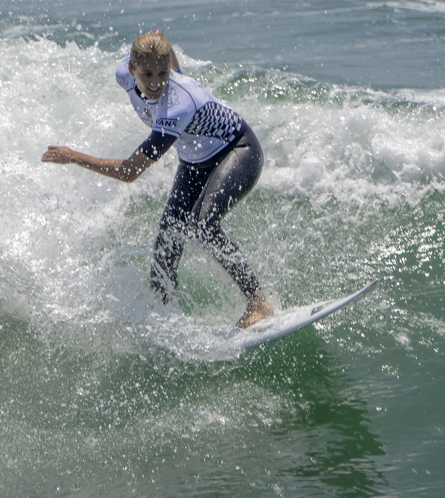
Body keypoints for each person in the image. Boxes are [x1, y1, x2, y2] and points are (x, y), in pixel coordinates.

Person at [41, 30, 274, 328]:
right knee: (166, 243)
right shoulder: (123, 74)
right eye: (147, 73)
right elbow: (158, 37)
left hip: (237, 150)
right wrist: (158, 41)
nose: (154, 83)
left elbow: (129, 171)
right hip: (195, 160)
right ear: (131, 70)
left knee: (203, 224)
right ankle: (163, 317)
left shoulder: (176, 106)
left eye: (163, 73)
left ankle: (258, 301)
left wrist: (73, 156)